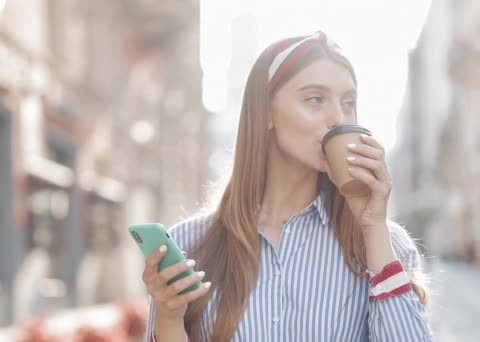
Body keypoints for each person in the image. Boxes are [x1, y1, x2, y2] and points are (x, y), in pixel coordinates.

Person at [140, 31, 432, 341]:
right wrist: (169, 318)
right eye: (315, 99)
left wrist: (373, 226)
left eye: (348, 102)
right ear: (265, 112)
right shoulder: (190, 243)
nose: (338, 118)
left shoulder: (382, 245)